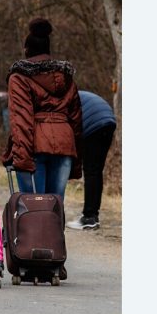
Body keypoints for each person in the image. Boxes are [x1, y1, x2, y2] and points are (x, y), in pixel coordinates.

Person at [2, 18, 83, 201]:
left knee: (33, 206)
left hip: (34, 145)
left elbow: (21, 119)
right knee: (55, 205)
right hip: (64, 143)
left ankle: (34, 231)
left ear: (27, 50)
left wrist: (21, 157)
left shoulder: (20, 77)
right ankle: (56, 231)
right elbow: (76, 119)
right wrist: (77, 158)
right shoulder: (67, 77)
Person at [67, 90, 116, 230]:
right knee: (95, 171)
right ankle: (92, 216)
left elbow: (70, 133)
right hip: (108, 121)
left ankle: (89, 218)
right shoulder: (72, 95)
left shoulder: (61, 101)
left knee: (91, 171)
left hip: (95, 124)